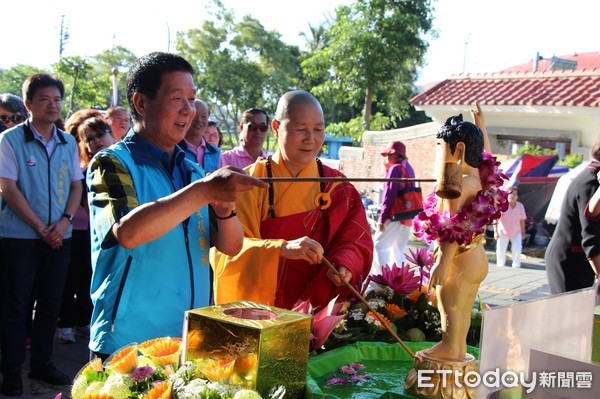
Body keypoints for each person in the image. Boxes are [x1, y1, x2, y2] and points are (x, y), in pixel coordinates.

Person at [86, 52, 267, 360]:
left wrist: (225, 208)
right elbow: (128, 232)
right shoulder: (112, 163)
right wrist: (205, 190)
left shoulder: (191, 170)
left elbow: (231, 245)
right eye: (176, 98)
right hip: (129, 343)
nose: (189, 110)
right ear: (142, 103)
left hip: (186, 338)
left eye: (192, 98)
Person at [212, 90, 373, 310]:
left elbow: (356, 238)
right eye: (301, 130)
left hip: (318, 309)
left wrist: (345, 263)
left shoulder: (337, 185)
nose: (311, 139)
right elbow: (228, 253)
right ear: (277, 128)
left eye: (318, 130)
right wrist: (281, 248)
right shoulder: (248, 183)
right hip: (263, 312)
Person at [0, 74, 83, 395]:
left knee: (51, 303)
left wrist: (63, 222)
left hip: (59, 237)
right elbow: (8, 188)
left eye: (57, 100)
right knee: (16, 305)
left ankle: (42, 363)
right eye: (45, 99)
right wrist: (39, 226)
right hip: (20, 237)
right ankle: (10, 370)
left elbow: (76, 186)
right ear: (29, 104)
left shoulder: (67, 142)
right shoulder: (10, 141)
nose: (53, 105)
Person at [420, 104, 503, 361]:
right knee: (464, 307)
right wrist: (482, 127)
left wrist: (442, 263)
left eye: (440, 147)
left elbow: (450, 226)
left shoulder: (457, 182)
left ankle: (449, 346)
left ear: (458, 150)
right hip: (477, 256)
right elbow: (487, 154)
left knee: (450, 305)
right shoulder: (480, 177)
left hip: (459, 259)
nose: (438, 153)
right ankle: (458, 349)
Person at [56, 113, 110, 345]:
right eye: (90, 138)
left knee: (89, 277)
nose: (96, 141)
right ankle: (66, 323)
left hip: (101, 234)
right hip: (78, 230)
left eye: (100, 135)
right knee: (72, 278)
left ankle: (83, 322)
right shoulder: (84, 169)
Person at [545, 136, 600, 294]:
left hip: (578, 259)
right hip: (570, 260)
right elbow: (590, 237)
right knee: (567, 316)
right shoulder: (591, 181)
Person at [371, 140, 421, 275]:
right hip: (407, 216)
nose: (387, 157)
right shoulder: (408, 167)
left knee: (379, 246)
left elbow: (389, 196)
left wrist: (382, 218)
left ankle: (382, 280)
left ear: (398, 155)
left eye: (390, 154)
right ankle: (399, 281)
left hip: (395, 215)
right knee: (398, 250)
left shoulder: (394, 169)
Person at [179, 99, 220, 173]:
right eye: (194, 115)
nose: (199, 120)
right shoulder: (176, 150)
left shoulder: (215, 152)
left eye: (204, 116)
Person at [494, 186, 527, 268]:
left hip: (516, 231)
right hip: (503, 231)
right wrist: (495, 232)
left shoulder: (520, 206)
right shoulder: (502, 205)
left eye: (515, 194)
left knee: (517, 248)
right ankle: (500, 265)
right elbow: (496, 219)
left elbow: (522, 220)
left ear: (517, 196)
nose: (512, 196)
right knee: (501, 249)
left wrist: (523, 232)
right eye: (510, 194)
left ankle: (516, 265)